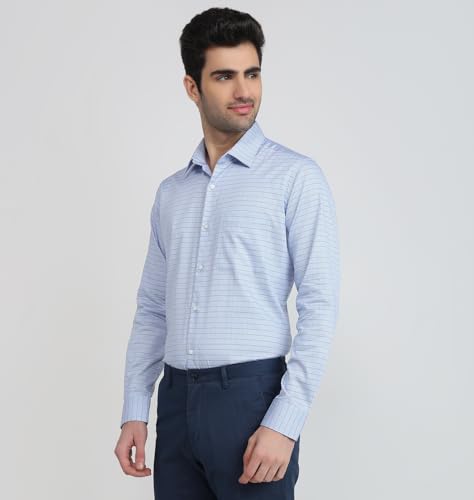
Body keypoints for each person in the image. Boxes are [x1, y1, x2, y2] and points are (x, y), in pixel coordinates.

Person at [114, 7, 340, 499]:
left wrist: (285, 421)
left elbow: (320, 305)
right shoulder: (172, 193)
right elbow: (152, 308)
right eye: (224, 76)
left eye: (252, 73)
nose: (244, 91)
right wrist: (136, 408)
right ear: (192, 87)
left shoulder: (295, 178)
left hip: (252, 400)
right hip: (176, 403)